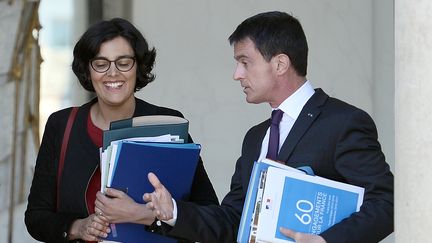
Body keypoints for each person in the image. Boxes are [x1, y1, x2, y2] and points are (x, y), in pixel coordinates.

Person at [143, 11, 394, 243]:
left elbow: (387, 202)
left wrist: (327, 241)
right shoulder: (255, 138)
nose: (237, 74)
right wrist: (173, 212)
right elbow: (233, 220)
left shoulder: (343, 123)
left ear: (280, 64)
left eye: (245, 62)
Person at [25, 18, 218, 243]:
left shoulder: (167, 123)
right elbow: (36, 216)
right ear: (88, 70)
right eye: (101, 63)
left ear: (138, 67)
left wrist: (145, 215)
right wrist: (78, 227)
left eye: (123, 62)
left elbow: (209, 214)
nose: (113, 73)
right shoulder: (62, 124)